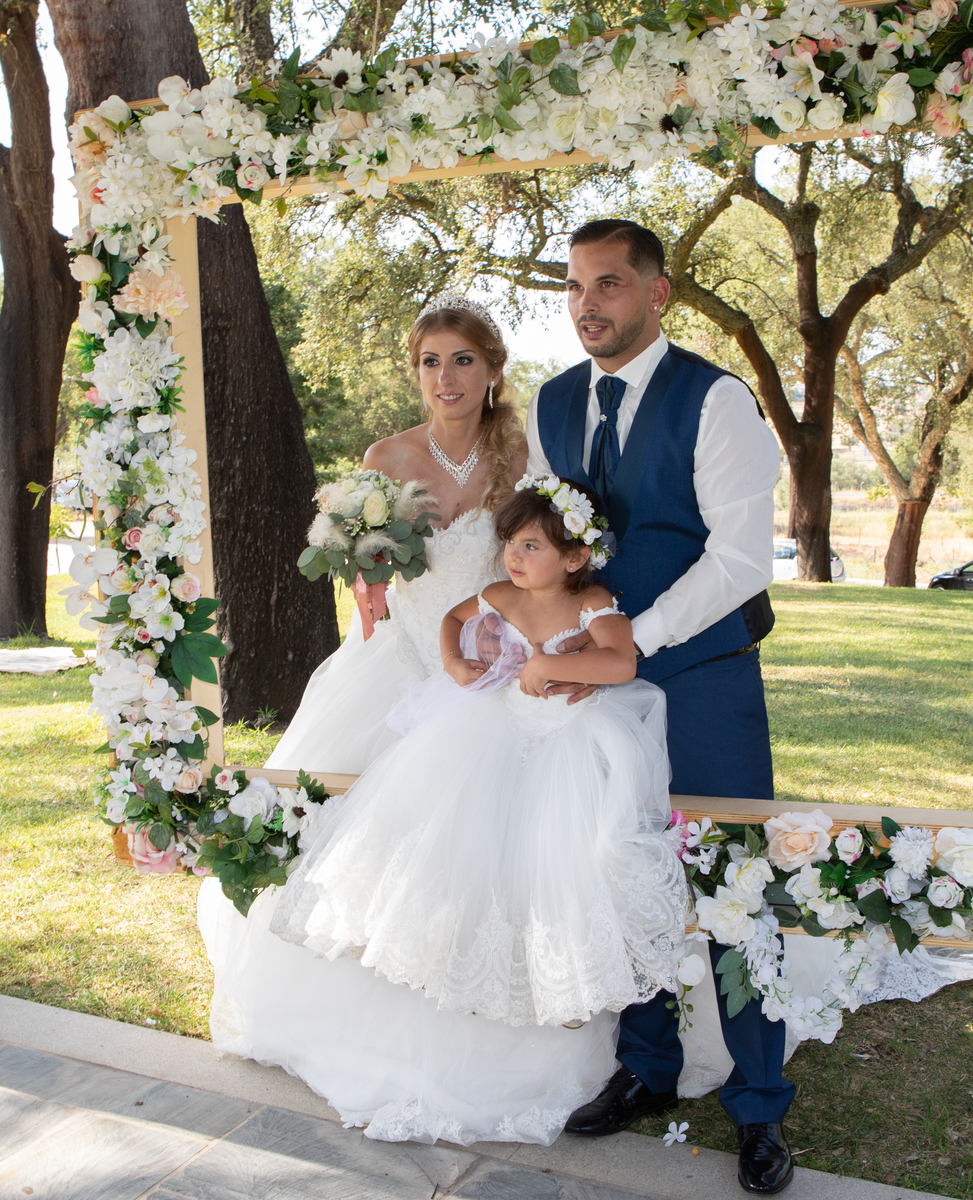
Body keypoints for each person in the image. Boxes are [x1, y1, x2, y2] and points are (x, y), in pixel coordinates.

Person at [198, 476, 688, 1146]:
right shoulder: (501, 594)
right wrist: (457, 665)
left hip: (562, 746)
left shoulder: (592, 602)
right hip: (487, 732)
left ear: (575, 558)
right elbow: (452, 620)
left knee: (553, 861)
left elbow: (624, 660)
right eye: (513, 544)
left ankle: (555, 978)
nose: (515, 557)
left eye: (533, 546)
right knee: (455, 848)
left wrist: (558, 668)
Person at [525, 219, 793, 1194]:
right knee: (620, 871)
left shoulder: (715, 399)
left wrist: (642, 634)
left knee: (732, 882)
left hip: (705, 676)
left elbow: (740, 560)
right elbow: (543, 536)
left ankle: (760, 1106)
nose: (588, 304)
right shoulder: (553, 403)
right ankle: (646, 1068)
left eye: (608, 284)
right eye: (575, 287)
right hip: (597, 687)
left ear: (656, 294)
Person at [265, 294, 525, 775]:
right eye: (431, 362)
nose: (445, 379)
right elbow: (367, 566)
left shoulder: (525, 459)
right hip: (401, 663)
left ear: (493, 370)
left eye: (462, 360)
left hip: (494, 660)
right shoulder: (385, 460)